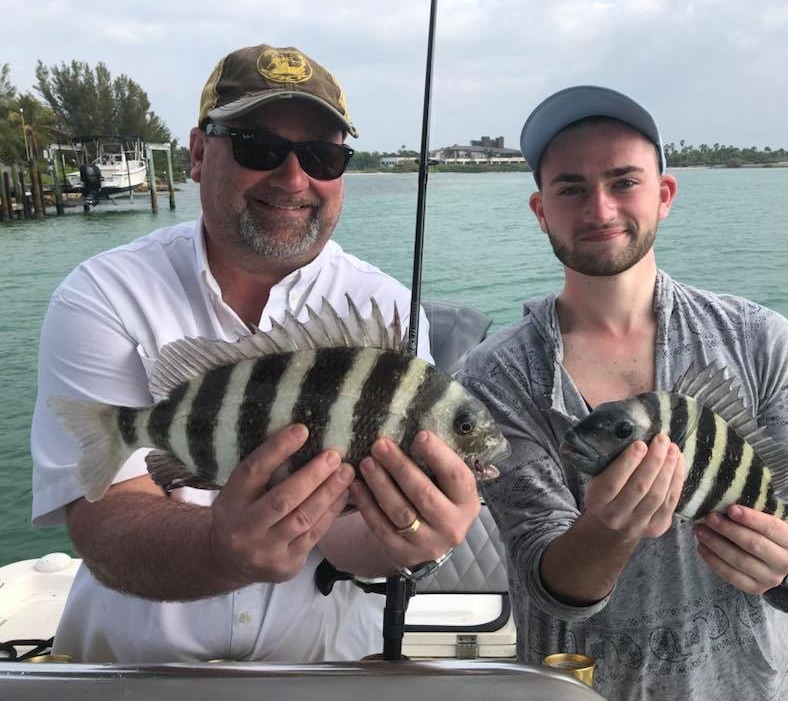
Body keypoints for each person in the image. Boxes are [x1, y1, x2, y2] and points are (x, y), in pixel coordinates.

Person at [30, 44, 480, 663]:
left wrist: (411, 534)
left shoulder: (390, 311)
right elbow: (106, 525)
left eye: (322, 155)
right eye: (256, 146)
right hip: (134, 674)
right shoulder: (104, 294)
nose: (294, 179)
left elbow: (351, 535)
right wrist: (220, 551)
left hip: (317, 674)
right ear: (196, 153)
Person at [461, 86, 788, 700]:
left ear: (663, 196)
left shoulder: (759, 338)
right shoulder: (493, 376)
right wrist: (607, 532)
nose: (600, 208)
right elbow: (545, 583)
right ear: (540, 209)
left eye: (623, 182)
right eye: (571, 188)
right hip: (579, 689)